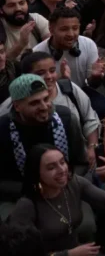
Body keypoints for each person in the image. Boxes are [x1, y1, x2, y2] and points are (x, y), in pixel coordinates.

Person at [0, 74, 89, 216]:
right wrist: (35, 189)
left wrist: (62, 182)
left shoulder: (66, 119)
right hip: (19, 197)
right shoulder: (3, 129)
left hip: (65, 189)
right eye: (34, 103)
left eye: (46, 99)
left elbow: (82, 163)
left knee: (86, 225)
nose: (44, 107)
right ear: (17, 106)